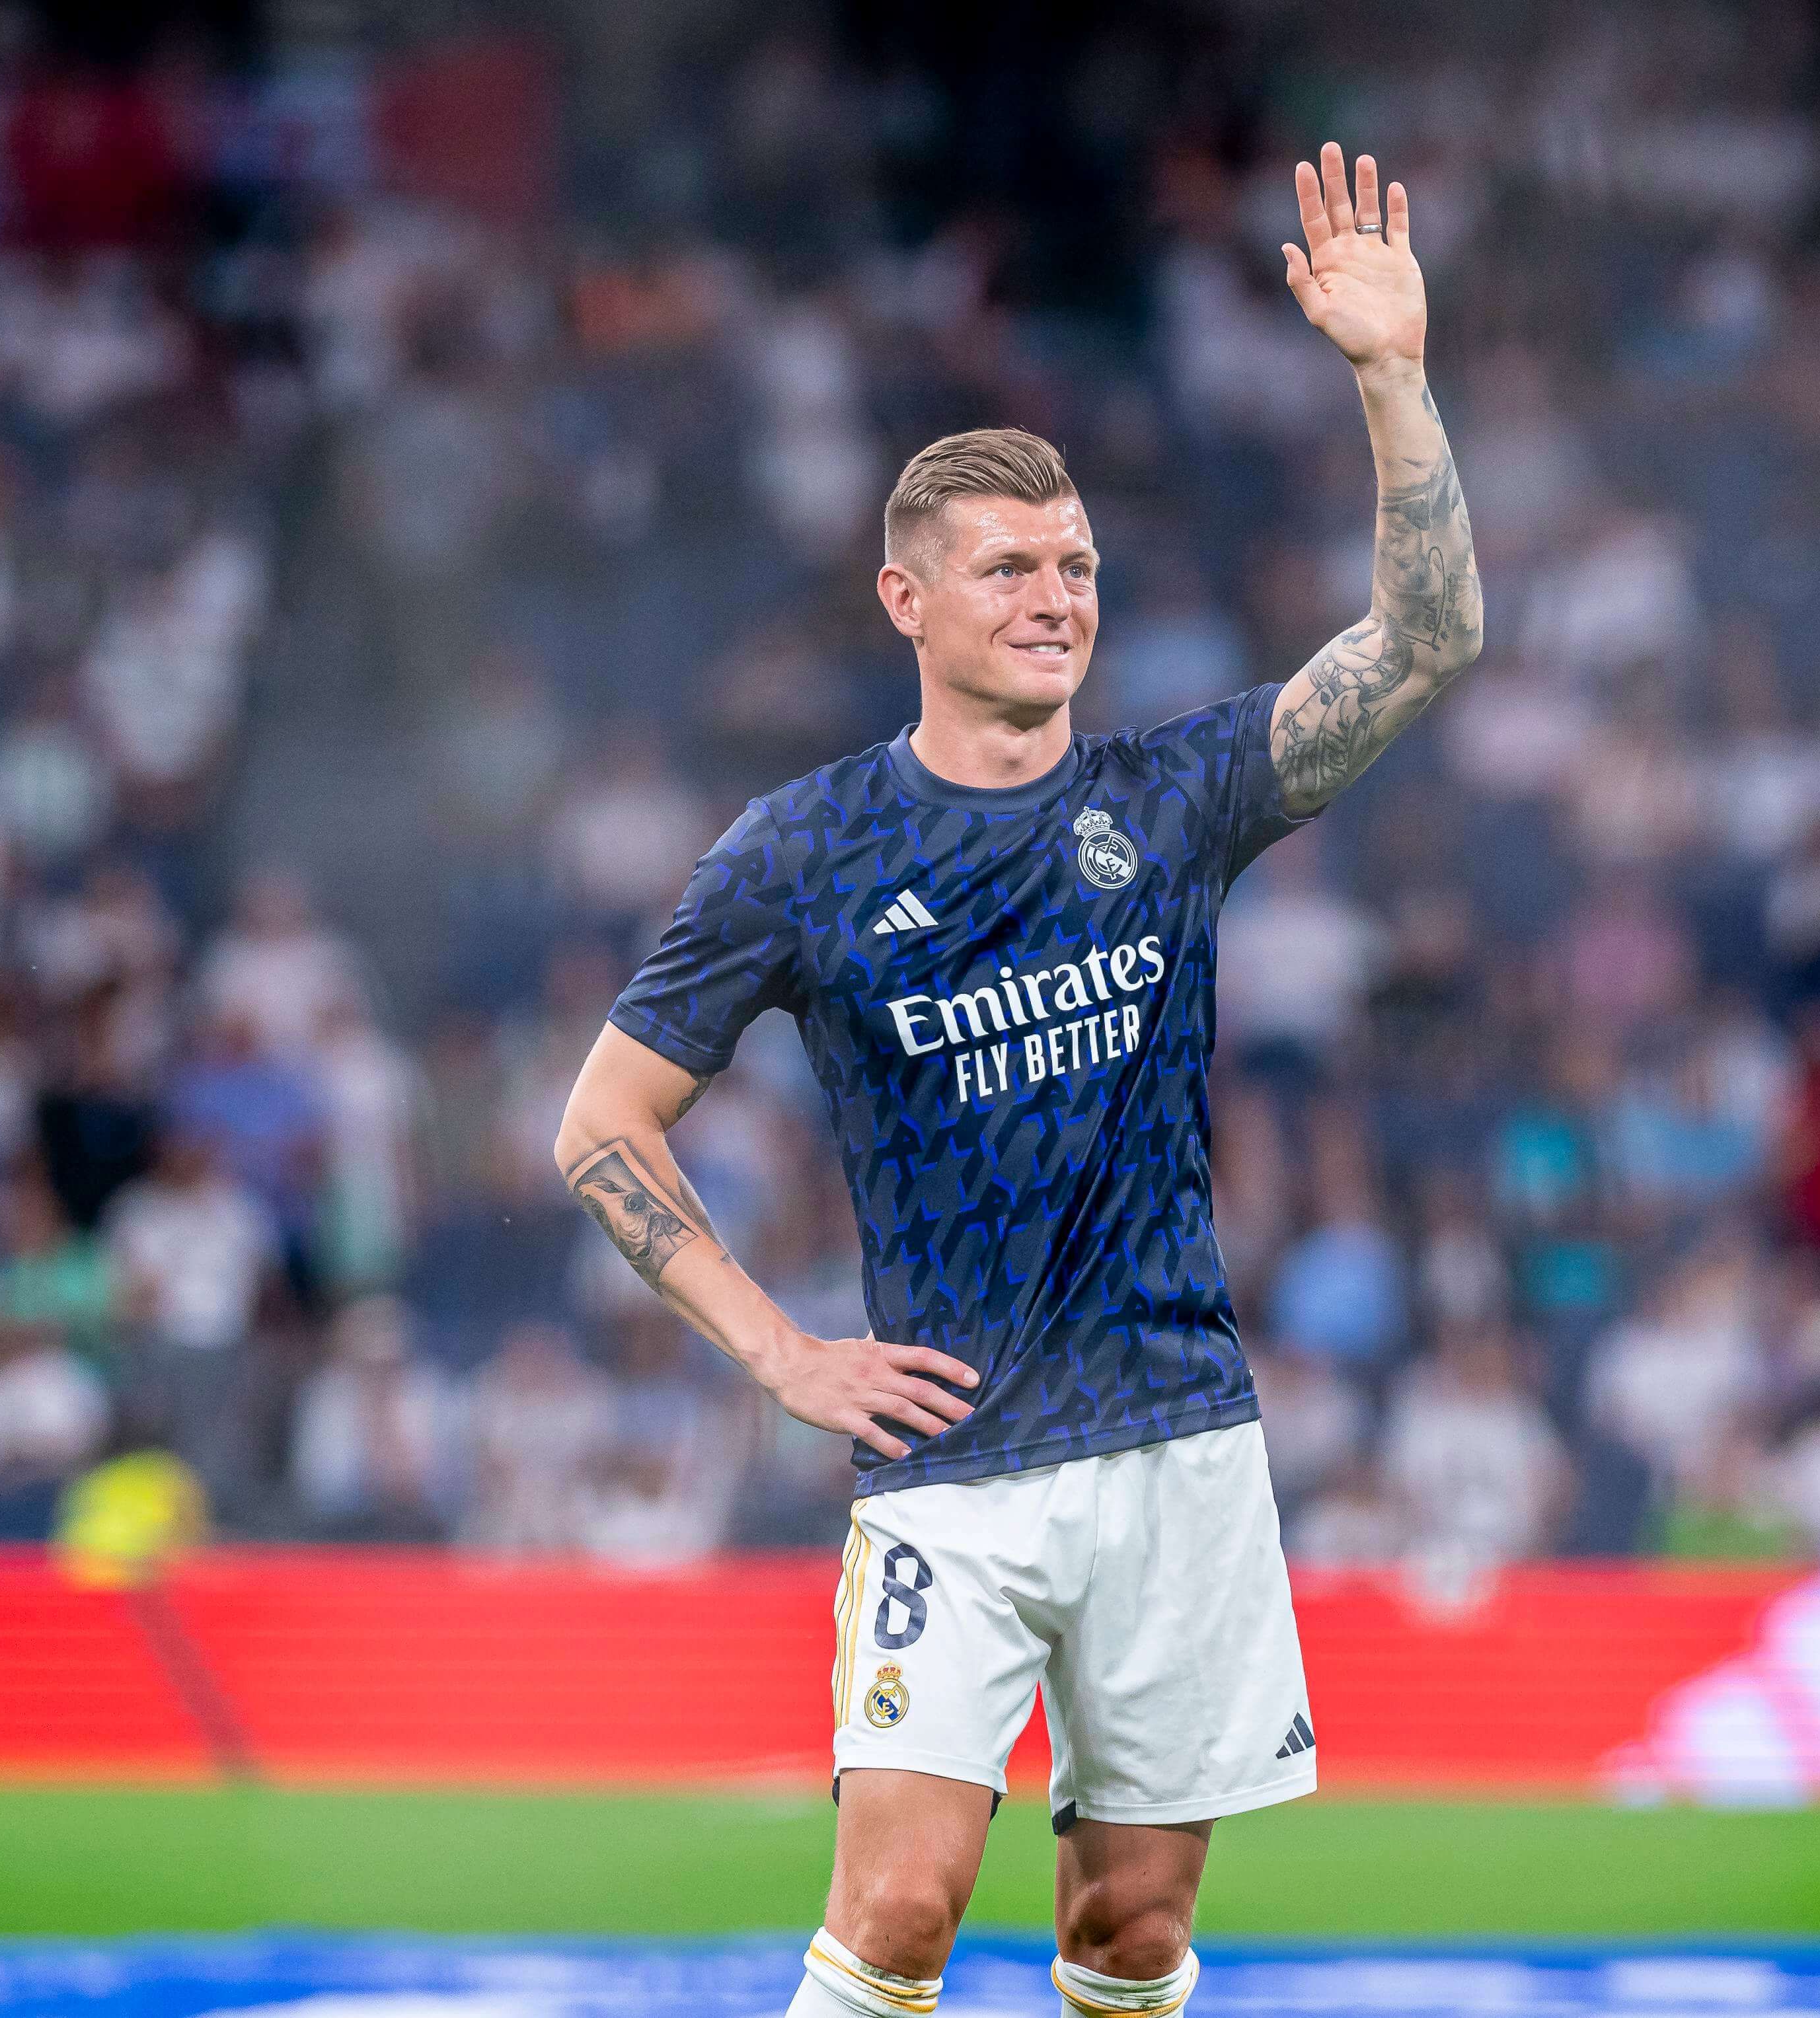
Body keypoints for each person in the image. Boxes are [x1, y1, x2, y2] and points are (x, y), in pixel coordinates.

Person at [557, 144, 1480, 2018]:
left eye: (1073, 564)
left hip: (1173, 1436)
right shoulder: (798, 852)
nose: (1054, 595)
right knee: (896, 1910)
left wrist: (1386, 374)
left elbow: (1427, 640)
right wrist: (782, 1354)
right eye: (1007, 566)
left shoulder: (1168, 796)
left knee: (1126, 1932)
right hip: (950, 1463)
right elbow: (600, 1124)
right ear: (905, 598)